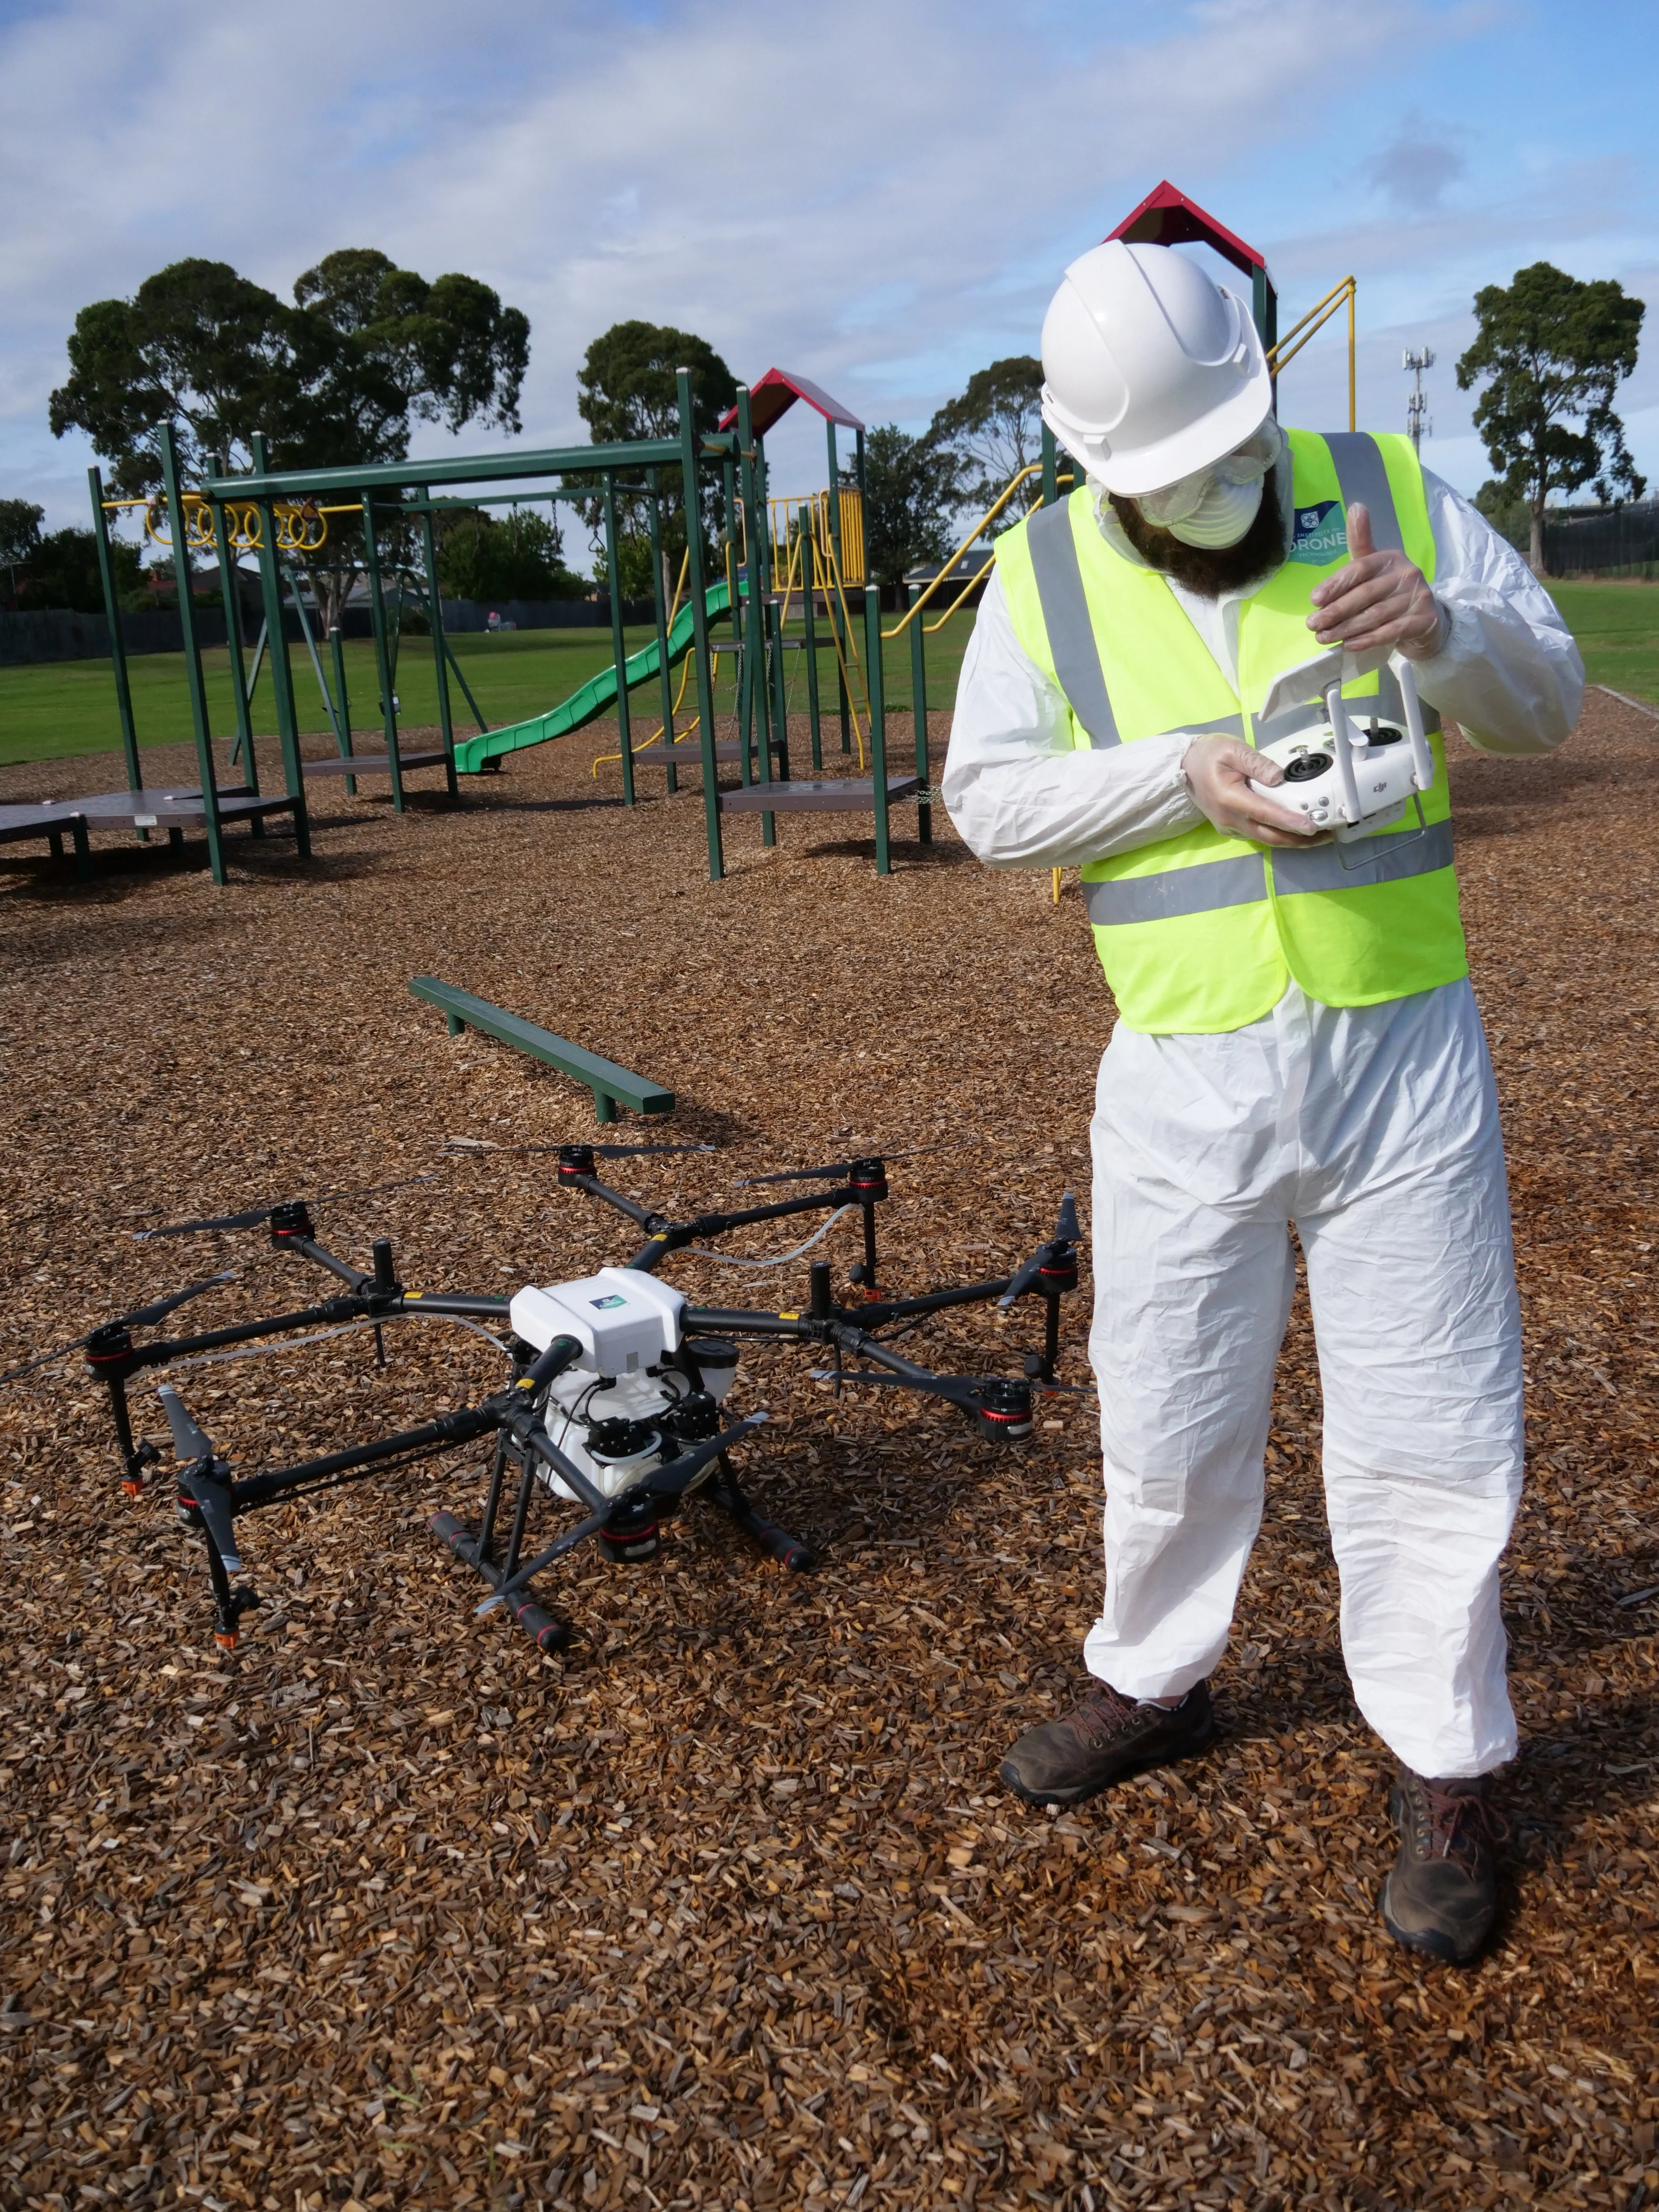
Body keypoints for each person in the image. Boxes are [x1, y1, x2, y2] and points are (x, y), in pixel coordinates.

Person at [942, 239, 1582, 1965]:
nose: (1207, 504)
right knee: (1163, 1397)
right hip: (1184, 1066)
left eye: (1228, 464)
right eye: (1167, 483)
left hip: (1400, 1044)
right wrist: (1178, 780)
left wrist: (1445, 633)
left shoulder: (1385, 492)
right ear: (1098, 467)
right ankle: (1155, 1674)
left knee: (1436, 1417)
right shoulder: (1051, 567)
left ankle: (1448, 1759)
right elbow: (986, 802)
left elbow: (1549, 692)